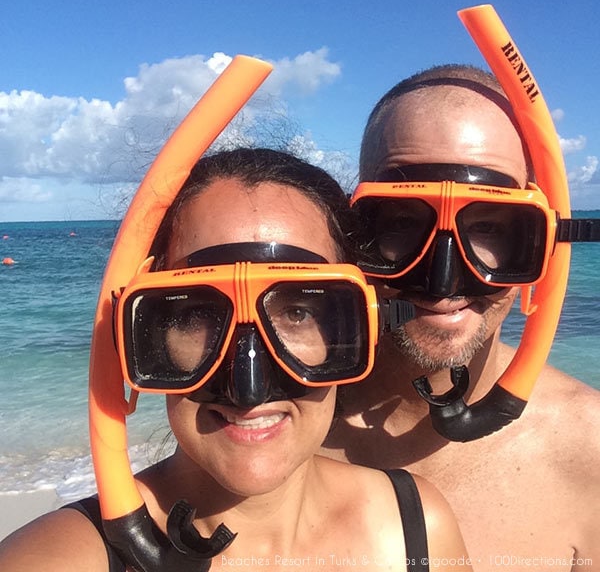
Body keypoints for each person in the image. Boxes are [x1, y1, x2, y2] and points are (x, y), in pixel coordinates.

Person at [0, 147, 472, 572]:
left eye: (298, 312)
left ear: (359, 328)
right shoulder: (61, 559)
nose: (249, 388)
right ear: (143, 337)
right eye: (197, 315)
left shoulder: (416, 529)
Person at [323, 66, 600, 571]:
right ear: (353, 233)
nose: (444, 279)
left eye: (490, 225)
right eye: (402, 220)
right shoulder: (275, 431)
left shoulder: (591, 448)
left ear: (540, 241)